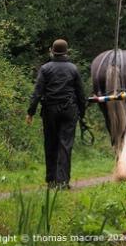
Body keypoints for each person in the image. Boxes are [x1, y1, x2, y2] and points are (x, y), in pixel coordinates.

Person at [26, 39, 86, 189]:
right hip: (69, 110)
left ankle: (51, 180)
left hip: (49, 111)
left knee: (50, 144)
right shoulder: (73, 69)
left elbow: (37, 92)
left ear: (52, 51)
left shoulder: (45, 69)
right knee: (65, 145)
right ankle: (63, 182)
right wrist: (82, 113)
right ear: (67, 52)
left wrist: (30, 112)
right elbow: (81, 94)